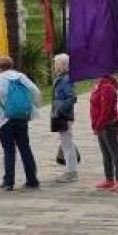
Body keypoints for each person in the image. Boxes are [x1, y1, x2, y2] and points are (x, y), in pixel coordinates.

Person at [0, 54, 42, 191]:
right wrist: (33, 106)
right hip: (21, 117)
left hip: (4, 119)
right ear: (11, 65)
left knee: (9, 150)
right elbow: (35, 91)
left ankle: (8, 182)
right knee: (25, 147)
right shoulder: (21, 76)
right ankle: (32, 179)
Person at [89, 73, 118, 192]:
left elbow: (106, 110)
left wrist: (98, 125)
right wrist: (95, 125)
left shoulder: (107, 87)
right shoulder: (98, 86)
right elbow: (95, 106)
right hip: (100, 125)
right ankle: (109, 179)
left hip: (108, 125)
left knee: (114, 153)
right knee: (106, 153)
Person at [50, 52, 79, 182]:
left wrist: (60, 108)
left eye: (56, 64)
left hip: (64, 115)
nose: (55, 66)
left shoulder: (66, 79)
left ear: (63, 65)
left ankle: (71, 172)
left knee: (67, 143)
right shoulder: (62, 78)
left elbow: (72, 97)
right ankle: (70, 169)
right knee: (66, 142)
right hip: (60, 114)